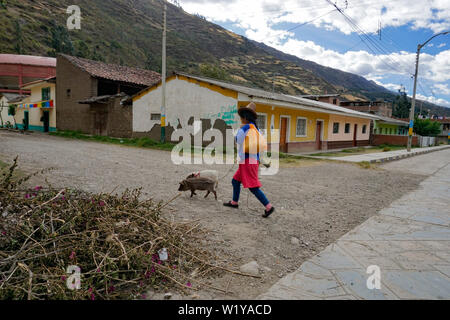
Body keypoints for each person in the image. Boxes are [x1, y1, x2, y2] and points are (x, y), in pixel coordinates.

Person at [223, 102, 275, 218]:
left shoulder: (245, 128)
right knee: (235, 181)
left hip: (247, 162)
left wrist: (239, 130)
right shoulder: (256, 129)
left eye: (241, 117)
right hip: (252, 160)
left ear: (245, 117)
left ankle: (268, 206)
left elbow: (238, 140)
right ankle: (234, 202)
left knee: (253, 187)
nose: (241, 119)